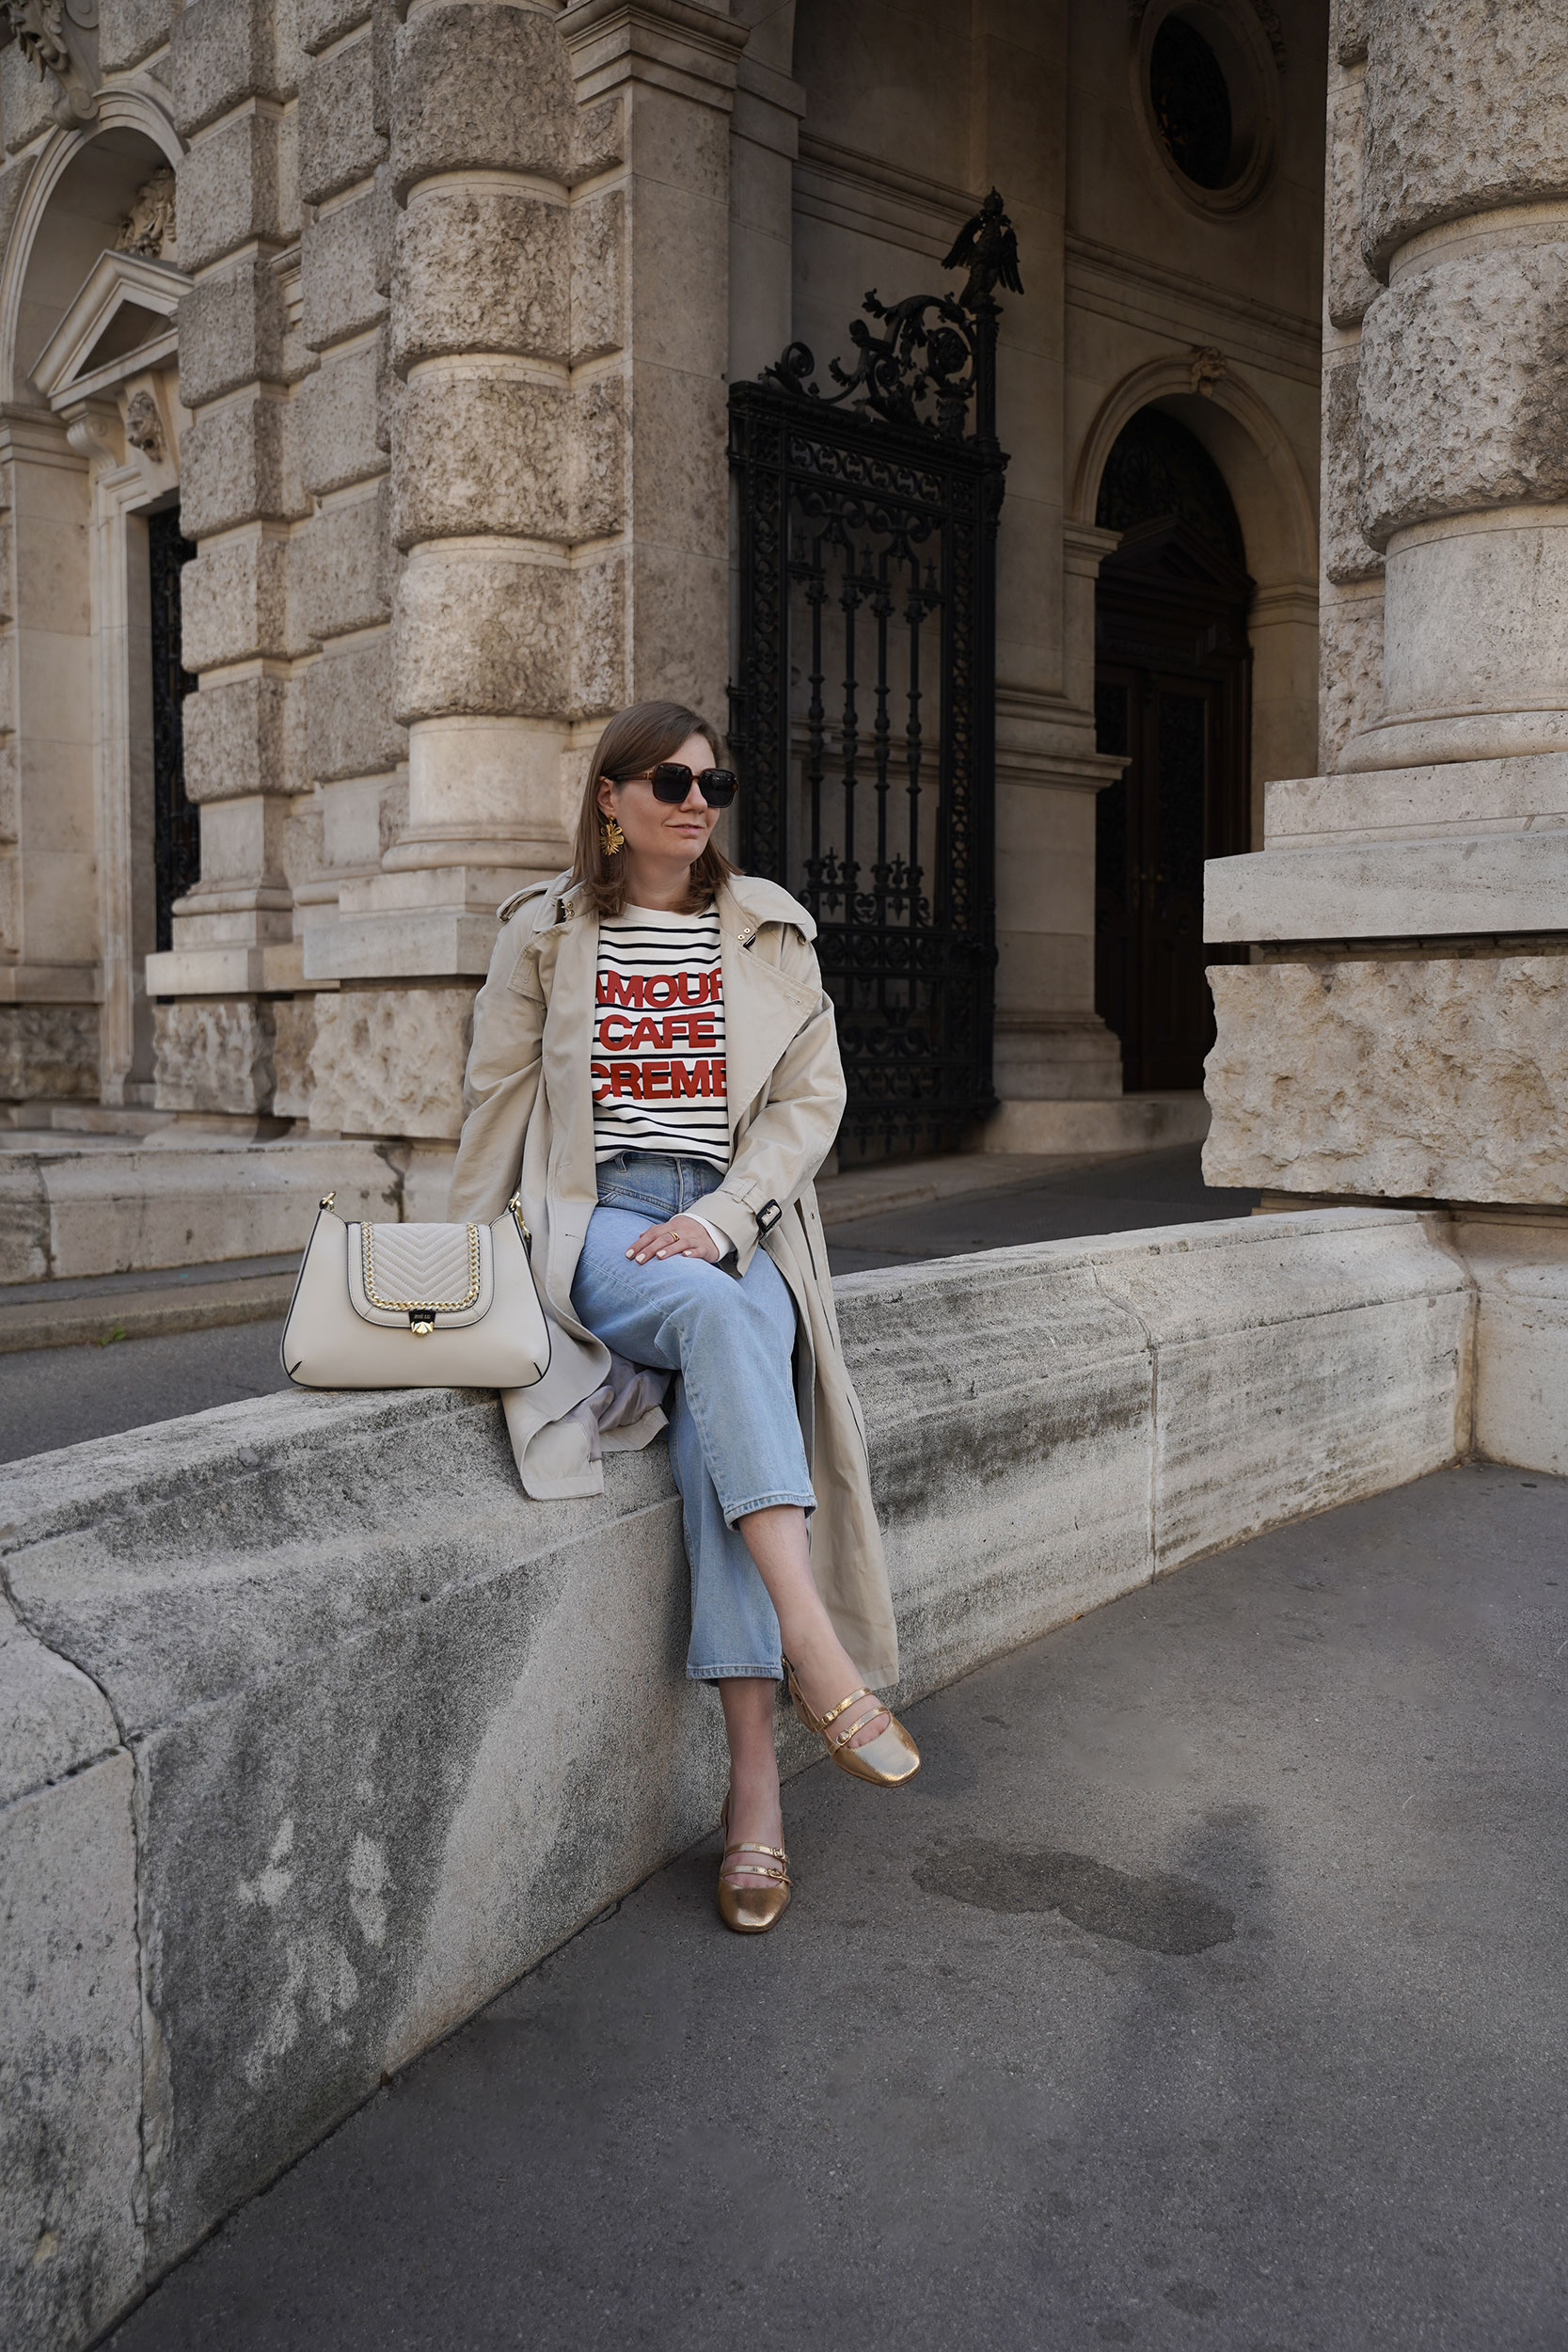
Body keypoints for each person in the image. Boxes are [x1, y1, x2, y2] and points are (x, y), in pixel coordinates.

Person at [447, 698, 918, 1935]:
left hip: (731, 1221)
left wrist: (724, 1217)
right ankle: (818, 1655)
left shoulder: (769, 933)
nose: (696, 800)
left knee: (733, 1342)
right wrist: (461, 1269)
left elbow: (810, 1103)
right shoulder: (541, 939)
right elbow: (494, 1113)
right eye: (670, 780)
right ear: (611, 797)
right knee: (721, 1326)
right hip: (595, 1219)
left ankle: (754, 1796)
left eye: (715, 781)